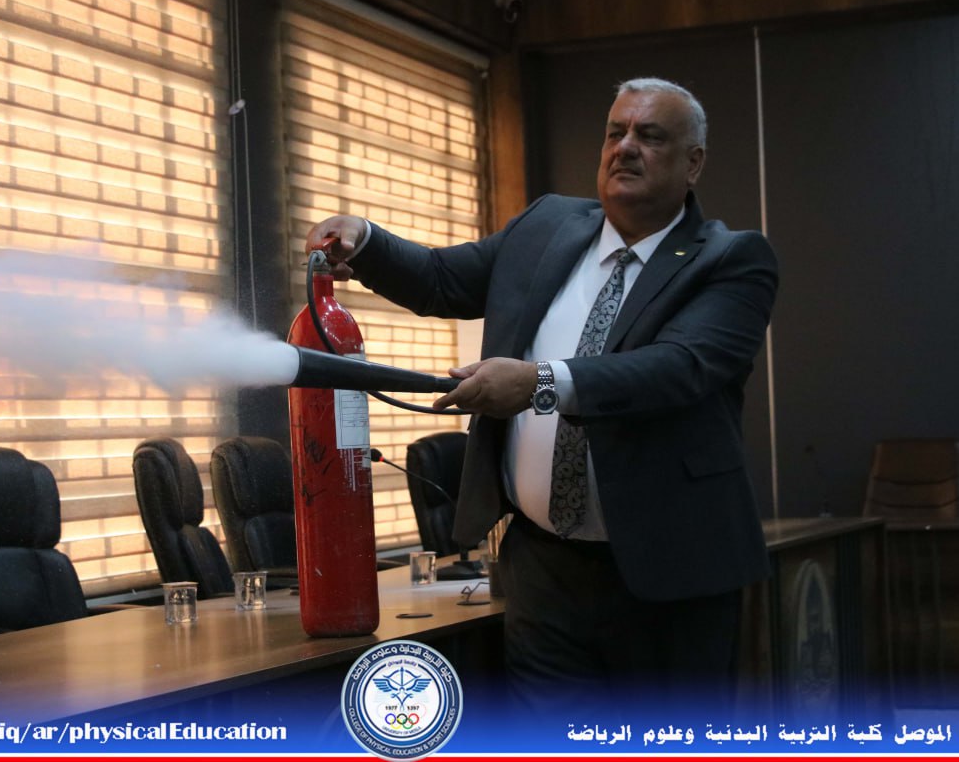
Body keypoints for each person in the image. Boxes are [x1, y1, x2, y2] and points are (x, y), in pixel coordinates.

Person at [306, 78, 777, 716]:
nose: (625, 147)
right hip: (542, 571)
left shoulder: (730, 258)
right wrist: (365, 240)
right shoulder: (548, 225)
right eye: (615, 133)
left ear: (693, 163)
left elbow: (678, 367)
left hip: (670, 574)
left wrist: (539, 383)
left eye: (650, 136)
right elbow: (444, 279)